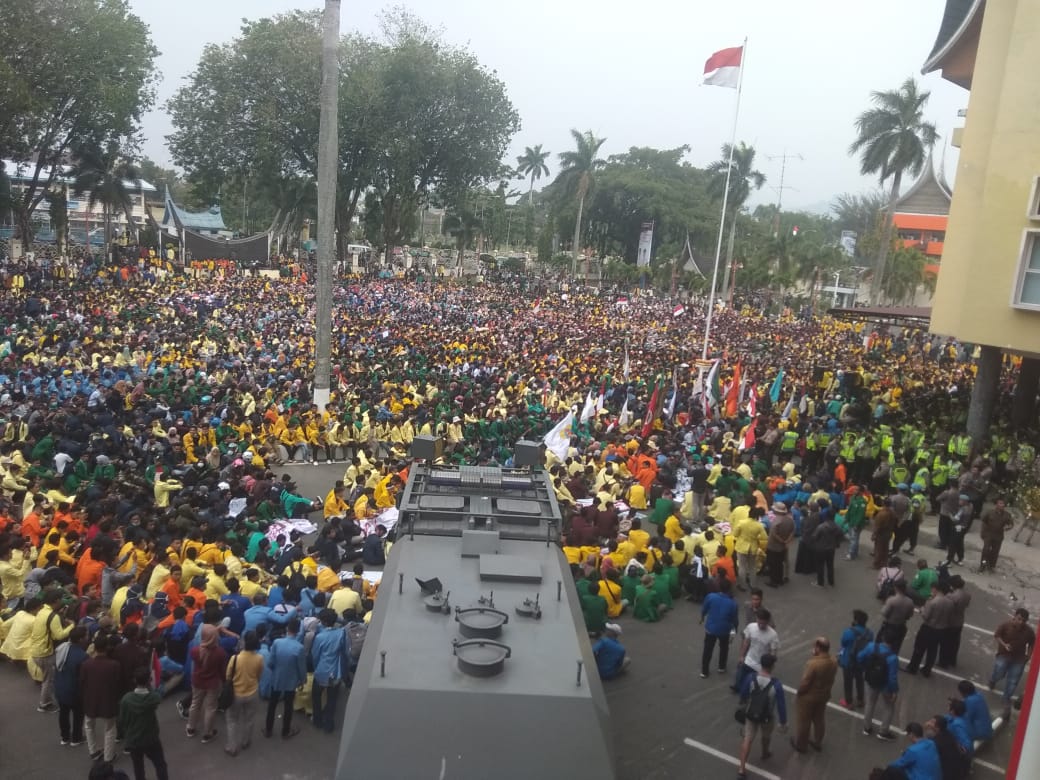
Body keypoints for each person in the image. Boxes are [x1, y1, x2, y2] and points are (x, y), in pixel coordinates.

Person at [736, 652, 786, 780]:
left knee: (747, 738)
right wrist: (783, 722)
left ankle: (741, 768)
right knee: (766, 736)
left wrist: (743, 701)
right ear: (772, 666)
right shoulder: (776, 685)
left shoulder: (751, 678)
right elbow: (781, 705)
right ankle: (765, 753)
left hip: (751, 713)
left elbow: (743, 693)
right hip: (767, 717)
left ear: (761, 664)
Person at [119, 666, 169, 780]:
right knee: (160, 764)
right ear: (149, 680)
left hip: (133, 739)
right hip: (150, 738)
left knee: (138, 767)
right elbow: (158, 695)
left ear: (134, 680)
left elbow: (122, 720)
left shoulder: (126, 699)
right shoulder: (153, 698)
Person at [80, 633, 123, 763]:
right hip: (108, 700)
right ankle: (109, 756)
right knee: (110, 728)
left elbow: (81, 683)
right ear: (107, 647)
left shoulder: (86, 664)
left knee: (88, 725)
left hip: (90, 700)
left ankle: (93, 751)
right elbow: (118, 684)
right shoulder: (114, 665)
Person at [791, 636, 838, 753]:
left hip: (809, 697)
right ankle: (818, 742)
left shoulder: (813, 664)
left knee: (804, 721)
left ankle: (801, 745)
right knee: (819, 719)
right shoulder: (833, 661)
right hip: (824, 695)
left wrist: (799, 693)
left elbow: (805, 683)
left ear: (818, 647)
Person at [30, 587, 74, 712]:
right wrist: (71, 626)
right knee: (48, 680)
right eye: (60, 600)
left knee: (48, 678)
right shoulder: (52, 616)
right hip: (44, 653)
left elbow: (53, 634)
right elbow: (59, 635)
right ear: (56, 601)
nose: (62, 602)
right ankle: (44, 704)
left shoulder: (42, 611)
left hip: (36, 650)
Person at [988, 607, 1035, 718]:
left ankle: (1006, 697)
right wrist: (1004, 645)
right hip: (1004, 655)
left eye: (1024, 620)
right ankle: (993, 680)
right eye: (1019, 619)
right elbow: (997, 636)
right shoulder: (1005, 625)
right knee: (999, 671)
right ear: (1014, 617)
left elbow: (1032, 643)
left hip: (1019, 659)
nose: (1021, 622)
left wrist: (1028, 656)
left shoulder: (1029, 631)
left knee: (1013, 680)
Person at [265, 616, 307, 738]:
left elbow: (271, 662)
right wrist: (302, 680)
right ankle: (285, 731)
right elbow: (301, 668)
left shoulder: (277, 642)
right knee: (288, 706)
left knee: (272, 705)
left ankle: (268, 730)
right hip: (291, 681)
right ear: (298, 631)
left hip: (276, 679)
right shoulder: (299, 647)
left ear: (287, 628)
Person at [224, 630, 265, 756]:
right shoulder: (259, 658)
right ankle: (246, 741)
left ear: (244, 642)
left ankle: (232, 747)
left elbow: (228, 676)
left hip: (236, 694)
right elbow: (259, 675)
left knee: (232, 720)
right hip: (252, 693)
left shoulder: (235, 658)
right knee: (249, 719)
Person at [186, 624, 227, 743]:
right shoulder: (220, 653)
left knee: (195, 704)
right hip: (213, 684)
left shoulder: (195, 651)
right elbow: (222, 670)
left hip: (197, 681)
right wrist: (224, 682)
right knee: (210, 708)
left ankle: (191, 728)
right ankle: (207, 733)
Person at [310, 608, 349, 733]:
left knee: (316, 696)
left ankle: (317, 720)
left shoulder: (320, 637)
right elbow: (345, 652)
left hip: (321, 670)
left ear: (324, 622)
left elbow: (315, 655)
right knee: (332, 699)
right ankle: (329, 724)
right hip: (335, 671)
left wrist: (316, 667)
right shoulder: (341, 633)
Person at [858, 627, 900, 741]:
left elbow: (860, 657)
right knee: (889, 707)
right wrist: (894, 691)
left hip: (870, 680)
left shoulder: (871, 646)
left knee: (870, 703)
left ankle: (867, 728)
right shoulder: (893, 658)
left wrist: (865, 669)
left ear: (883, 637)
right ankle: (883, 731)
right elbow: (892, 678)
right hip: (885, 685)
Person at [905, 582, 954, 677]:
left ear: (936, 589)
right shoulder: (950, 603)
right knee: (932, 650)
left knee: (919, 648)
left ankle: (913, 667)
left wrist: (922, 610)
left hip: (928, 628)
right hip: (941, 630)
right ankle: (927, 670)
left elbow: (926, 616)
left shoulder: (932, 602)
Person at [54, 625, 90, 747]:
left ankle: (64, 737)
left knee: (63, 713)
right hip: (74, 691)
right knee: (78, 715)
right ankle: (76, 738)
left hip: (60, 688)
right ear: (80, 639)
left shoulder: (62, 648)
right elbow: (84, 677)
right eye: (86, 636)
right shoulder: (82, 656)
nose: (87, 638)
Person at [733, 608, 780, 695]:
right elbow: (746, 642)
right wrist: (742, 656)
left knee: (753, 687)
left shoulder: (773, 635)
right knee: (740, 677)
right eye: (759, 622)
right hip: (749, 659)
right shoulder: (751, 627)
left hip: (760, 666)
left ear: (768, 621)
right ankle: (737, 688)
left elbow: (773, 652)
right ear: (757, 619)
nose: (761, 625)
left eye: (764, 623)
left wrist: (768, 668)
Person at [700, 578, 738, 678]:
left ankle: (704, 671)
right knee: (724, 648)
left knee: (708, 649)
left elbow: (704, 609)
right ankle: (721, 667)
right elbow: (735, 620)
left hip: (711, 628)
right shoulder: (733, 603)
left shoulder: (711, 597)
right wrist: (735, 630)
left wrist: (702, 617)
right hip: (724, 630)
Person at [838, 609, 873, 709]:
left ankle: (848, 702)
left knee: (848, 682)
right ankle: (860, 700)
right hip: (861, 661)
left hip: (848, 661)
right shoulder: (869, 633)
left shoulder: (849, 632)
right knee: (859, 680)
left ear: (856, 621)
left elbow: (843, 643)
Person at [938, 575, 970, 668]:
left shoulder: (951, 596)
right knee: (955, 643)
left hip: (950, 622)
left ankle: (943, 662)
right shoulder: (967, 595)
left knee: (946, 643)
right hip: (959, 620)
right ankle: (952, 660)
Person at [879, 580, 916, 656]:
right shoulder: (910, 602)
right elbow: (910, 615)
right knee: (896, 647)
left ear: (896, 588)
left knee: (882, 645)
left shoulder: (891, 600)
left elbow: (884, 613)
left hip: (889, 625)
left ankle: (879, 662)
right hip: (901, 626)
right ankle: (892, 662)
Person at [979, 497, 1013, 572]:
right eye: (1000, 503)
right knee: (986, 550)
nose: (1002, 505)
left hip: (998, 536)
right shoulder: (990, 512)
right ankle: (983, 565)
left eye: (1003, 504)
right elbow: (984, 522)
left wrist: (1008, 527)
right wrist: (982, 533)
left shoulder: (1007, 515)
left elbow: (1011, 524)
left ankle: (991, 566)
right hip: (989, 534)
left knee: (995, 552)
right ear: (996, 505)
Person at [764, 502, 794, 588]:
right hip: (783, 546)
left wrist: (782, 541)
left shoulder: (776, 521)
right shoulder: (789, 520)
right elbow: (792, 531)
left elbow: (774, 534)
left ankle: (773, 581)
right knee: (780, 563)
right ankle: (780, 580)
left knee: (773, 564)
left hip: (773, 546)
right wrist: (786, 541)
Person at [811, 512, 844, 587]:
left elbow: (814, 537)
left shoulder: (821, 526)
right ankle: (831, 582)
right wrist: (836, 543)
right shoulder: (837, 527)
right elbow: (841, 536)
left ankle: (820, 583)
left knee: (820, 566)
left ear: (826, 517)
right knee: (830, 565)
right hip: (831, 549)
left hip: (820, 549)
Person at [957, 680, 993, 745]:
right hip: (988, 730)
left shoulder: (969, 701)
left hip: (979, 734)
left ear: (963, 692)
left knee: (956, 723)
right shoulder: (979, 695)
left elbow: (966, 718)